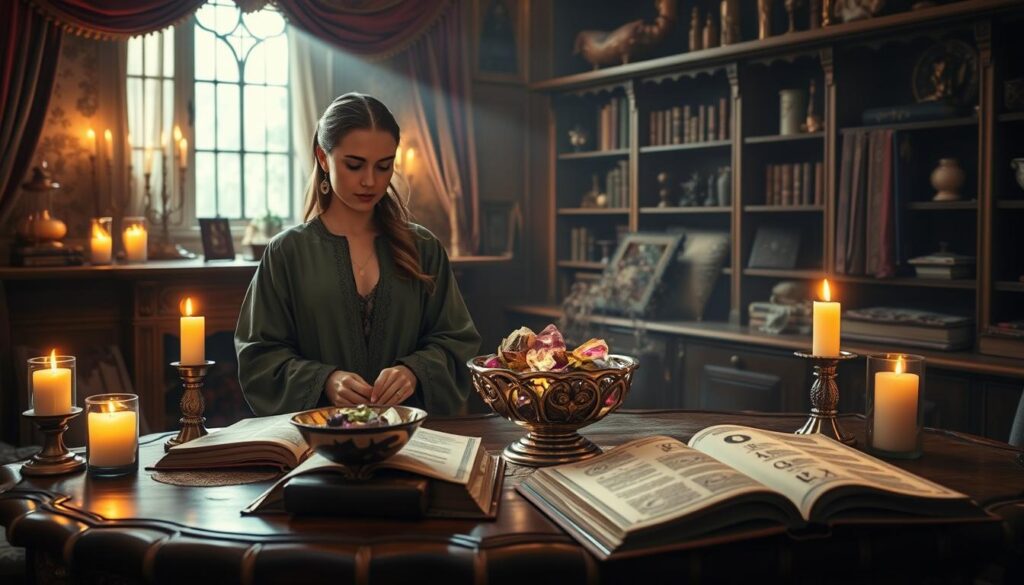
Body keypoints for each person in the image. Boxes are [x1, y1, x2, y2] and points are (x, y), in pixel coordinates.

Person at [235, 92, 481, 416]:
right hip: (318, 446)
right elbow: (259, 357)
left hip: (412, 443)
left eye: (384, 166)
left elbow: (458, 344)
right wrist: (324, 379)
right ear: (323, 158)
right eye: (354, 165)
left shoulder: (424, 249)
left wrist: (414, 371)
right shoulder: (287, 253)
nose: (370, 181)